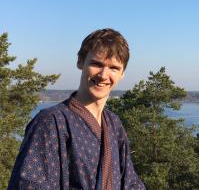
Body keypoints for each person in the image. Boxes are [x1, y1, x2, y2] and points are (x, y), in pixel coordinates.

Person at [8, 28, 145, 189]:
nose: (103, 74)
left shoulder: (114, 124)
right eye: (96, 63)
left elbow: (130, 181)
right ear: (80, 61)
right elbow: (29, 184)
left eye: (114, 68)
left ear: (122, 73)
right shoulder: (51, 122)